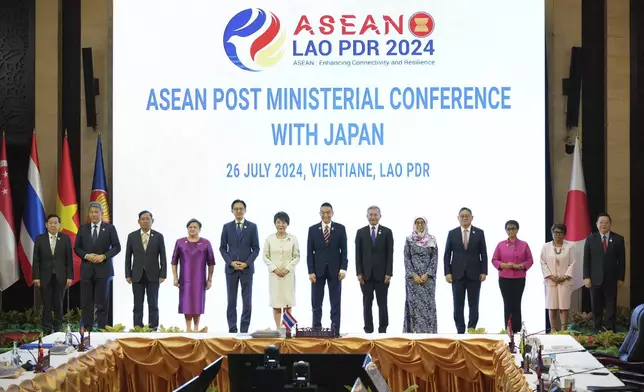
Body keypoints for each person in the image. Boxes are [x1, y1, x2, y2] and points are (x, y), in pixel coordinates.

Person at [74, 201, 121, 331]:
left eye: (96, 212)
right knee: (86, 302)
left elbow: (117, 247)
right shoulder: (83, 228)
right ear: (89, 214)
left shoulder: (110, 228)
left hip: (104, 270)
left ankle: (102, 330)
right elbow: (77, 248)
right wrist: (86, 255)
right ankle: (87, 330)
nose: (94, 214)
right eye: (92, 212)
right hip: (87, 270)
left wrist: (104, 256)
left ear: (101, 213)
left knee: (102, 303)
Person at [444, 207, 488, 334]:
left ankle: (472, 329)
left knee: (474, 304)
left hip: (474, 274)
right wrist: (447, 272)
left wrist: (484, 271)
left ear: (472, 218)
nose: (464, 218)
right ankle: (460, 330)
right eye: (462, 216)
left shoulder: (479, 233)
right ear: (458, 218)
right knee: (458, 304)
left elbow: (483, 253)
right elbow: (447, 254)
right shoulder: (452, 233)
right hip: (457, 274)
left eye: (467, 216)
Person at [219, 199, 260, 333]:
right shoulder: (227, 227)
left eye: (241, 208)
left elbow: (256, 249)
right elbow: (222, 248)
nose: (238, 211)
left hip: (246, 269)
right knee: (231, 301)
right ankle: (232, 328)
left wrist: (246, 263)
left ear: (245, 210)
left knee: (247, 301)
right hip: (231, 269)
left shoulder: (252, 227)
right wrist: (230, 262)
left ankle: (244, 330)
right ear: (232, 211)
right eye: (236, 208)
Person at [306, 202, 348, 332]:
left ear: (332, 213)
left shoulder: (340, 228)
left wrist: (343, 268)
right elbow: (309, 252)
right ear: (320, 214)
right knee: (316, 303)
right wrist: (311, 271)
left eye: (328, 212)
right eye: (323, 213)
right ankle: (316, 329)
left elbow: (344, 250)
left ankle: (335, 330)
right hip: (317, 272)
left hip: (335, 271)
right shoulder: (312, 229)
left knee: (335, 302)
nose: (326, 215)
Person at [124, 210, 167, 330]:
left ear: (152, 221)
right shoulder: (132, 236)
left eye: (148, 219)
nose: (145, 221)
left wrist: (163, 273)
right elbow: (128, 256)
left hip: (154, 275)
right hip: (137, 274)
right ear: (138, 221)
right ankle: (138, 327)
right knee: (137, 304)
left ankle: (153, 327)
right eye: (143, 219)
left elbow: (163, 256)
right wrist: (128, 273)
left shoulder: (158, 236)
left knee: (153, 303)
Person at [583, 213, 625, 332]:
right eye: (601, 222)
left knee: (611, 304)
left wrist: (621, 277)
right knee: (596, 304)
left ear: (610, 224)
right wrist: (586, 276)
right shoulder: (591, 238)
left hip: (611, 278)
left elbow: (622, 260)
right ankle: (597, 328)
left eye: (606, 222)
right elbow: (586, 259)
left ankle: (611, 329)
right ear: (597, 224)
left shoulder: (618, 239)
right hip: (594, 278)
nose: (603, 225)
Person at [171, 218, 215, 332]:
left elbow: (211, 262)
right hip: (185, 279)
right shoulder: (180, 242)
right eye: (190, 227)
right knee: (186, 303)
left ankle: (196, 328)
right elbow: (174, 261)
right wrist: (175, 277)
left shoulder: (205, 243)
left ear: (199, 229)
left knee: (197, 303)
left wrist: (209, 279)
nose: (192, 229)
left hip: (199, 279)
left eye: (195, 227)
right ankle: (188, 329)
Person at [355, 206, 394, 333]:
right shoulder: (360, 232)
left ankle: (383, 329)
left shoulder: (387, 232)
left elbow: (390, 254)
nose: (373, 217)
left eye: (375, 214)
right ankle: (368, 329)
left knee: (382, 304)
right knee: (367, 303)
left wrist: (389, 272)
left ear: (380, 216)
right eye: (370, 215)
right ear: (367, 216)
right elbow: (358, 254)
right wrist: (359, 273)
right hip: (365, 275)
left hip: (382, 275)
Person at [32, 214, 73, 333]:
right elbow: (36, 259)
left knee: (59, 303)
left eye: (55, 223)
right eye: (51, 223)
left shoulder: (65, 238)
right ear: (46, 225)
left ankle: (58, 328)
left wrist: (69, 276)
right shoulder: (40, 238)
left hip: (61, 277)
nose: (53, 225)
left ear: (59, 225)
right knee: (47, 304)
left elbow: (69, 259)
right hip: (45, 277)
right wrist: (36, 277)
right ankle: (46, 328)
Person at [491, 220, 533, 333]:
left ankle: (517, 330)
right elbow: (494, 260)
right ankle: (508, 330)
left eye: (513, 228)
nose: (511, 231)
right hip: (505, 278)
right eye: (508, 229)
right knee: (507, 303)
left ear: (517, 230)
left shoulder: (524, 244)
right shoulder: (500, 245)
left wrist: (519, 266)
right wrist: (503, 265)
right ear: (505, 230)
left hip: (519, 279)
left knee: (516, 303)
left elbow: (530, 260)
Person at [263, 212, 300, 329]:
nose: (281, 225)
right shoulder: (269, 239)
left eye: (283, 222)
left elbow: (297, 256)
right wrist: (274, 269)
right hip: (275, 277)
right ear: (275, 224)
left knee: (288, 303)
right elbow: (265, 256)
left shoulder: (293, 239)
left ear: (287, 223)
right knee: (276, 303)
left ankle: (287, 329)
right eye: (278, 222)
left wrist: (287, 269)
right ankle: (278, 329)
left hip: (288, 276)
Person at [403, 216, 438, 333]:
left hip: (428, 280)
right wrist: (413, 275)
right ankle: (413, 333)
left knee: (428, 306)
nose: (419, 225)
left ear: (425, 224)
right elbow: (406, 258)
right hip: (413, 281)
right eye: (417, 223)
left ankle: (428, 333)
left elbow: (434, 259)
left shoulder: (432, 240)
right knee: (413, 306)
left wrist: (427, 274)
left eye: (422, 223)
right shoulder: (409, 240)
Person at [540, 223, 576, 331]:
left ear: (564, 234)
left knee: (564, 307)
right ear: (552, 233)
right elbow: (543, 262)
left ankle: (564, 330)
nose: (558, 235)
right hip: (551, 282)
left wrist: (565, 277)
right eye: (556, 232)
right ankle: (553, 330)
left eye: (560, 233)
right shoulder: (546, 247)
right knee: (552, 306)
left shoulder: (570, 247)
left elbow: (573, 263)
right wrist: (551, 276)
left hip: (564, 281)